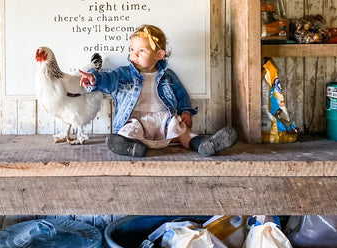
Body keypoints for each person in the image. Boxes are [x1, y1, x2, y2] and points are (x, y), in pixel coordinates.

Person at [78, 24, 237, 158]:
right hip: (136, 120)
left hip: (164, 120)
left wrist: (186, 112)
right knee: (127, 133)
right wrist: (95, 79)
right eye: (132, 49)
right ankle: (131, 148)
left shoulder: (168, 76)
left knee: (184, 133)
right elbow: (109, 79)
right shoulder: (124, 74)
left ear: (159, 55)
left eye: (142, 51)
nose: (134, 55)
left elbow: (181, 95)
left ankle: (205, 145)